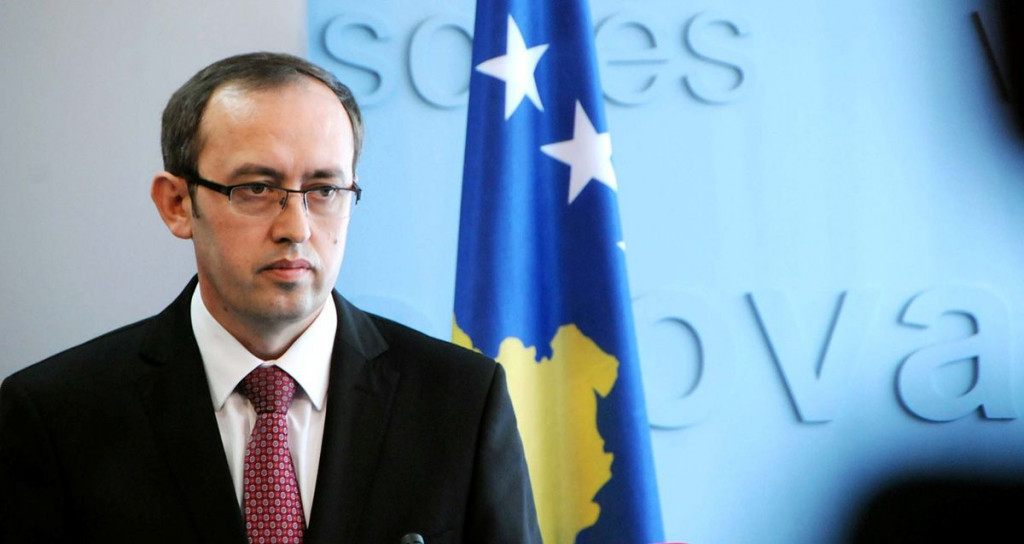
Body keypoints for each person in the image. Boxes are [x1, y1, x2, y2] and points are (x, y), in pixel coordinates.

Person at [0, 52, 541, 544]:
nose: (296, 228)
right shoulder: (55, 416)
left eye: (325, 190)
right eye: (256, 188)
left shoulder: (462, 401)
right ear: (177, 204)